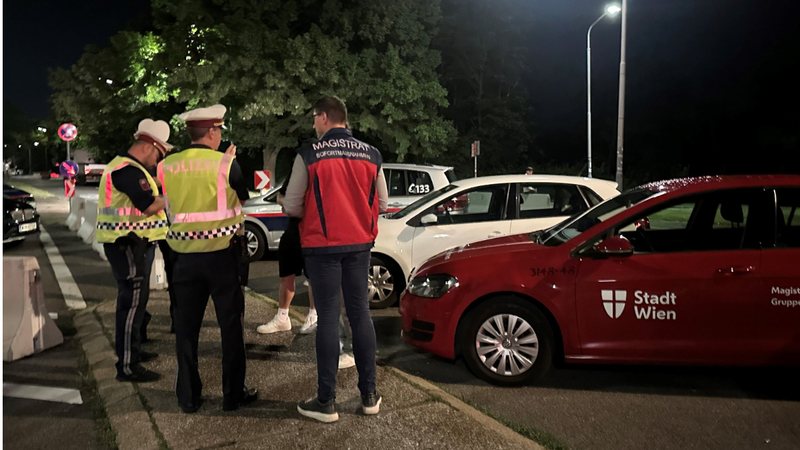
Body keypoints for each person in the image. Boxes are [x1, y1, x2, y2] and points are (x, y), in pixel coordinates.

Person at [284, 96, 388, 423]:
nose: (313, 124)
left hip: (322, 247)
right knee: (360, 314)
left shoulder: (309, 154)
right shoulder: (371, 154)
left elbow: (292, 206)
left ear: (325, 117)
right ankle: (369, 396)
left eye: (314, 118)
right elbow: (383, 203)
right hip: (360, 244)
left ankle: (326, 401)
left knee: (328, 316)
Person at [158, 104, 257, 414]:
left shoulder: (166, 165)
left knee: (186, 330)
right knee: (230, 327)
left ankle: (188, 396)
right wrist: (229, 161)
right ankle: (232, 395)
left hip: (182, 258)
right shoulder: (225, 164)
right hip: (222, 256)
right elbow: (243, 198)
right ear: (213, 132)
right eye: (219, 131)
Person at [95, 119, 172, 383]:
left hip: (132, 242)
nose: (157, 160)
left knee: (138, 301)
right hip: (126, 243)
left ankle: (134, 349)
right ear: (150, 146)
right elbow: (149, 205)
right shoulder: (128, 171)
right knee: (131, 303)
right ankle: (127, 365)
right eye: (159, 154)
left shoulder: (128, 168)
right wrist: (177, 197)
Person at [256, 163, 318, 336]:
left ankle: (314, 314)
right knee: (286, 273)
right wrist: (295, 205)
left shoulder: (324, 169)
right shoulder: (298, 170)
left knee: (313, 274)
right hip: (295, 228)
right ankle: (282, 317)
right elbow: (280, 197)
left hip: (314, 230)